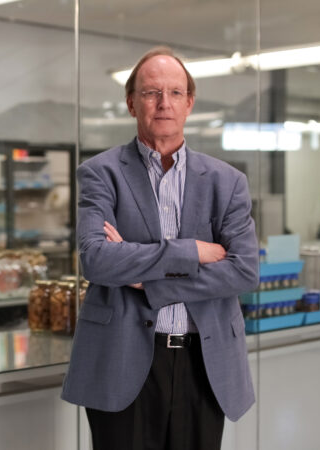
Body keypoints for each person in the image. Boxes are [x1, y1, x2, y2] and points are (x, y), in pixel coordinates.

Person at [61, 46, 259, 450]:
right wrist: (192, 252)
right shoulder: (101, 174)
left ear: (189, 102)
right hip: (121, 360)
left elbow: (243, 271)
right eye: (151, 92)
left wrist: (148, 281)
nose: (164, 102)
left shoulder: (227, 182)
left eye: (174, 92)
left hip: (205, 364)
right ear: (132, 103)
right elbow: (96, 260)